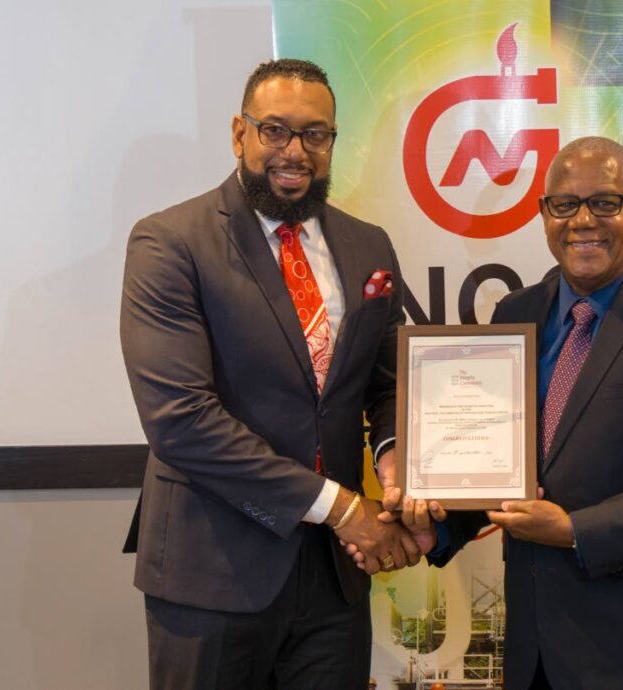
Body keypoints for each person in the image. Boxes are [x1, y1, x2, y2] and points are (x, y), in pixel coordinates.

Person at [386, 137, 623, 689]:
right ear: (543, 216)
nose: (583, 220)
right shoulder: (518, 312)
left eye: (605, 202)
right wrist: (434, 530)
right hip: (535, 648)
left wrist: (577, 530)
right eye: (564, 205)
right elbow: (503, 469)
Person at [120, 58, 420, 690]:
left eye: (316, 134)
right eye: (275, 130)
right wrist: (341, 507)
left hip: (334, 580)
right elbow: (181, 422)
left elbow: (389, 382)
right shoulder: (169, 242)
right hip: (215, 571)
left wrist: (394, 458)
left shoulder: (370, 245)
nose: (295, 151)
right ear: (240, 134)